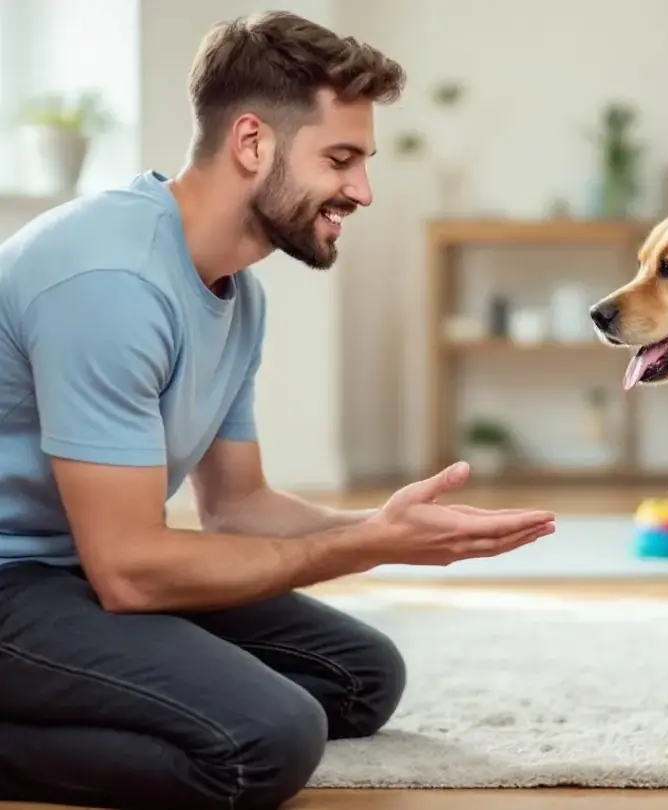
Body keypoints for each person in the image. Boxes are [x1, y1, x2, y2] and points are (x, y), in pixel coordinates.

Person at [0, 10, 555, 810]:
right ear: (253, 143)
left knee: (360, 679)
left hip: (75, 570)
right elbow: (128, 570)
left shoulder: (238, 297)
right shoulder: (109, 283)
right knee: (266, 739)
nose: (362, 190)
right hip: (21, 577)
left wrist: (383, 526)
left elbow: (237, 507)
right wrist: (362, 548)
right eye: (341, 159)